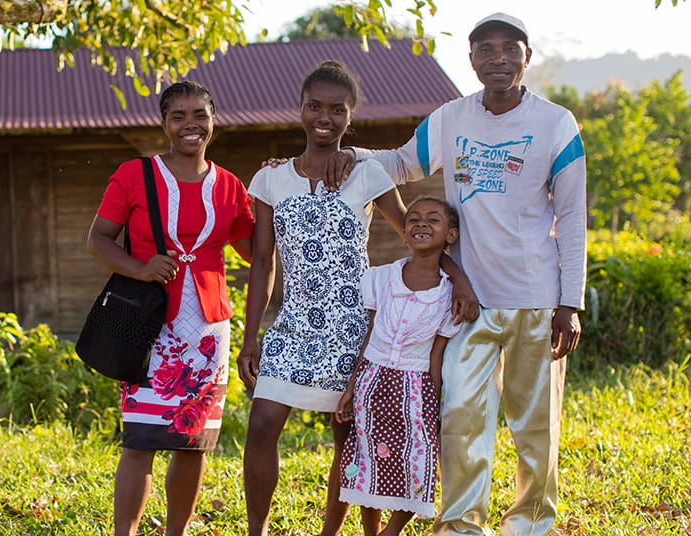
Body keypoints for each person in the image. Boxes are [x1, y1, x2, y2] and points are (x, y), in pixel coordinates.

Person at [322, 13, 587, 536]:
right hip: (466, 301)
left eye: (509, 49)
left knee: (535, 423)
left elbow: (573, 216)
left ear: (525, 57)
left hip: (536, 296)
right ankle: (462, 525)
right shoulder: (451, 119)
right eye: (485, 50)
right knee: (461, 417)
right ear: (471, 60)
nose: (498, 59)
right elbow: (401, 163)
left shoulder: (556, 124)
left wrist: (570, 302)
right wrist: (349, 155)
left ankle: (530, 523)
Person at [237, 61, 477, 536]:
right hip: (293, 328)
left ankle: (335, 530)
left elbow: (418, 236)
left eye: (336, 109)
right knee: (262, 424)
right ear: (300, 109)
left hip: (356, 326)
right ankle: (256, 532)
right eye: (315, 106)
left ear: (350, 117)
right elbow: (262, 263)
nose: (323, 117)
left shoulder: (366, 175)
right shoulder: (269, 181)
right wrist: (250, 339)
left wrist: (459, 278)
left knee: (350, 440)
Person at [86, 80, 254, 536]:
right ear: (164, 124)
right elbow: (98, 239)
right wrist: (140, 268)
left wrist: (282, 186)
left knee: (191, 444)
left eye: (199, 114)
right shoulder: (134, 175)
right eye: (178, 116)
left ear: (213, 119)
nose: (190, 124)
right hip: (148, 325)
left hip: (206, 332)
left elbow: (255, 251)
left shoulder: (230, 186)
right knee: (139, 439)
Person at [335, 197, 462, 536]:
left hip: (416, 389)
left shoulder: (450, 295)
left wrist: (435, 401)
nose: (421, 224)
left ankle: (391, 532)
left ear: (450, 235)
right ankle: (370, 531)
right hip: (371, 383)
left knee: (415, 462)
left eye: (432, 220)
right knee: (368, 460)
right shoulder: (381, 278)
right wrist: (351, 388)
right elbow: (370, 333)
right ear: (404, 234)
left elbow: (437, 353)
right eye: (414, 219)